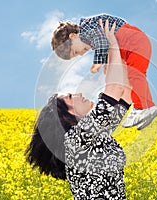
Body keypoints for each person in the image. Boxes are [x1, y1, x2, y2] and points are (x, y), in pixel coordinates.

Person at [26, 21, 130, 199]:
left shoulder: (94, 135)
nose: (78, 94)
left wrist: (115, 57)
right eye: (69, 97)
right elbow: (115, 90)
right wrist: (111, 45)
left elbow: (126, 95)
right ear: (65, 117)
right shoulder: (76, 141)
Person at [51, 13, 157, 130]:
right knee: (133, 77)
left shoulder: (87, 31)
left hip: (133, 43)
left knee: (135, 76)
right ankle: (140, 107)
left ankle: (144, 107)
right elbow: (108, 42)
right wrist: (109, 63)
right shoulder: (90, 32)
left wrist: (98, 62)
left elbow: (102, 41)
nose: (81, 54)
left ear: (73, 36)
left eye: (75, 52)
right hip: (130, 45)